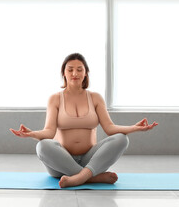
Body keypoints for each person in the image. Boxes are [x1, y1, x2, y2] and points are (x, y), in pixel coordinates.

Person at [10, 53, 158, 188]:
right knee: (42, 146)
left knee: (121, 139)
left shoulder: (95, 98)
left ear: (86, 73)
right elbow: (49, 132)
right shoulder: (55, 99)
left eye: (80, 69)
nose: (75, 73)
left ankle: (79, 176)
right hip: (61, 164)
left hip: (91, 160)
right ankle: (91, 178)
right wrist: (32, 134)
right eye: (70, 69)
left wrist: (134, 128)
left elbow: (110, 128)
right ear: (64, 73)